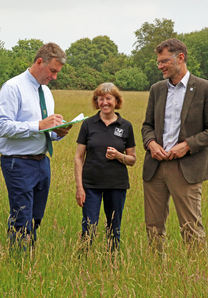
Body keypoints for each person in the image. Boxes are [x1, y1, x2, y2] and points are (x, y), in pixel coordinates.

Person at [141, 38, 208, 250]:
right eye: (158, 62)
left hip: (186, 168)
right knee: (153, 227)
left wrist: (186, 145)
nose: (160, 66)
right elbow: (146, 126)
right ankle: (155, 274)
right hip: (155, 166)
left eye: (164, 61)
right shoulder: (157, 89)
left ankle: (196, 278)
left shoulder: (207, 88)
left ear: (180, 58)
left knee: (191, 228)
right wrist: (150, 143)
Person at [0, 42, 71, 252]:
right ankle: (19, 263)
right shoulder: (13, 87)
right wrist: (40, 125)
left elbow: (43, 130)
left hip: (42, 161)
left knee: (36, 218)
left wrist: (58, 132)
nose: (55, 77)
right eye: (52, 70)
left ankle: (28, 260)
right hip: (18, 162)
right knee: (22, 218)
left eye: (57, 72)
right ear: (39, 62)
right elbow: (1, 127)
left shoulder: (45, 92)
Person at [74, 83, 136, 251]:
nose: (104, 102)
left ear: (116, 101)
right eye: (100, 99)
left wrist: (118, 156)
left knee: (114, 229)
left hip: (116, 185)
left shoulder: (126, 126)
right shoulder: (88, 124)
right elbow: (79, 157)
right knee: (89, 228)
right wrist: (80, 187)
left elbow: (132, 159)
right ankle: (84, 262)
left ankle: (112, 263)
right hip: (90, 186)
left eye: (108, 98)